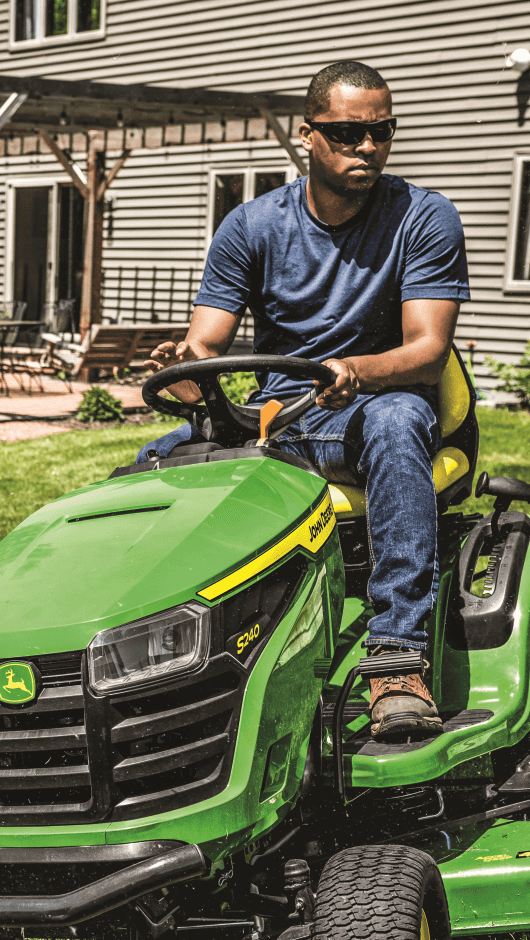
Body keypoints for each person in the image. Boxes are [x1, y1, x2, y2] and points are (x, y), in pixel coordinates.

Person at [139, 60, 469, 741]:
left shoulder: (423, 218)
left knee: (399, 417)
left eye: (380, 132)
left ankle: (397, 661)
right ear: (307, 136)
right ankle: (153, 670)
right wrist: (182, 367)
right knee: (144, 476)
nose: (367, 148)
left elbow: (426, 350)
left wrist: (354, 370)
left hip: (372, 407)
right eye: (348, 134)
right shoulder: (251, 226)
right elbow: (205, 345)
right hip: (281, 420)